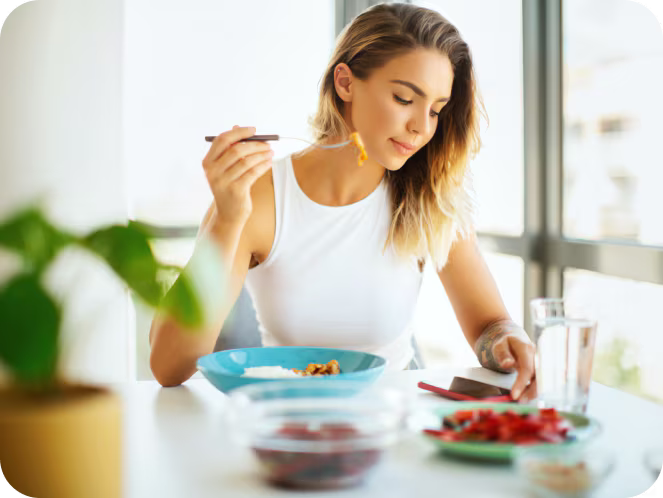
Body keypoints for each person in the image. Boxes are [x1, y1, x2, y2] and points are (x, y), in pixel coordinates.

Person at [149, 2, 536, 401]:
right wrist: (227, 221)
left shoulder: (431, 199)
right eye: (404, 99)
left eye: (436, 110)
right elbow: (169, 366)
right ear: (346, 83)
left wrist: (509, 341)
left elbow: (490, 325)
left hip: (392, 424)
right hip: (288, 420)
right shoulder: (261, 195)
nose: (422, 127)